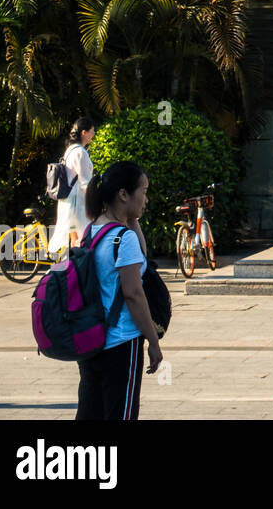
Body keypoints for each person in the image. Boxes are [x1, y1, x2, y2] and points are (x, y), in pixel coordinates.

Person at [77, 161, 163, 420]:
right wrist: (153, 340)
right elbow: (134, 294)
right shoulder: (122, 239)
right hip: (122, 343)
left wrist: (131, 219)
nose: (146, 199)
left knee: (90, 413)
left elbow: (142, 258)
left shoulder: (92, 231)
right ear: (123, 194)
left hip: (92, 340)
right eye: (144, 191)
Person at [50, 117, 95, 257]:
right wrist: (97, 198)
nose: (93, 134)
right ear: (84, 132)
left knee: (75, 240)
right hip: (78, 204)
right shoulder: (80, 152)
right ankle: (77, 271)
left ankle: (72, 271)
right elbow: (85, 182)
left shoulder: (69, 150)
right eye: (92, 131)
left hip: (68, 202)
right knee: (83, 239)